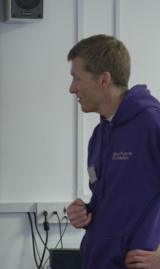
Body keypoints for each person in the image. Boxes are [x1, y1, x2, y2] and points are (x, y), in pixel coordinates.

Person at [66, 34, 160, 269]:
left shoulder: (151, 123)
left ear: (104, 80)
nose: (71, 88)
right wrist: (86, 212)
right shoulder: (99, 136)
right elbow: (118, 202)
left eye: (77, 78)